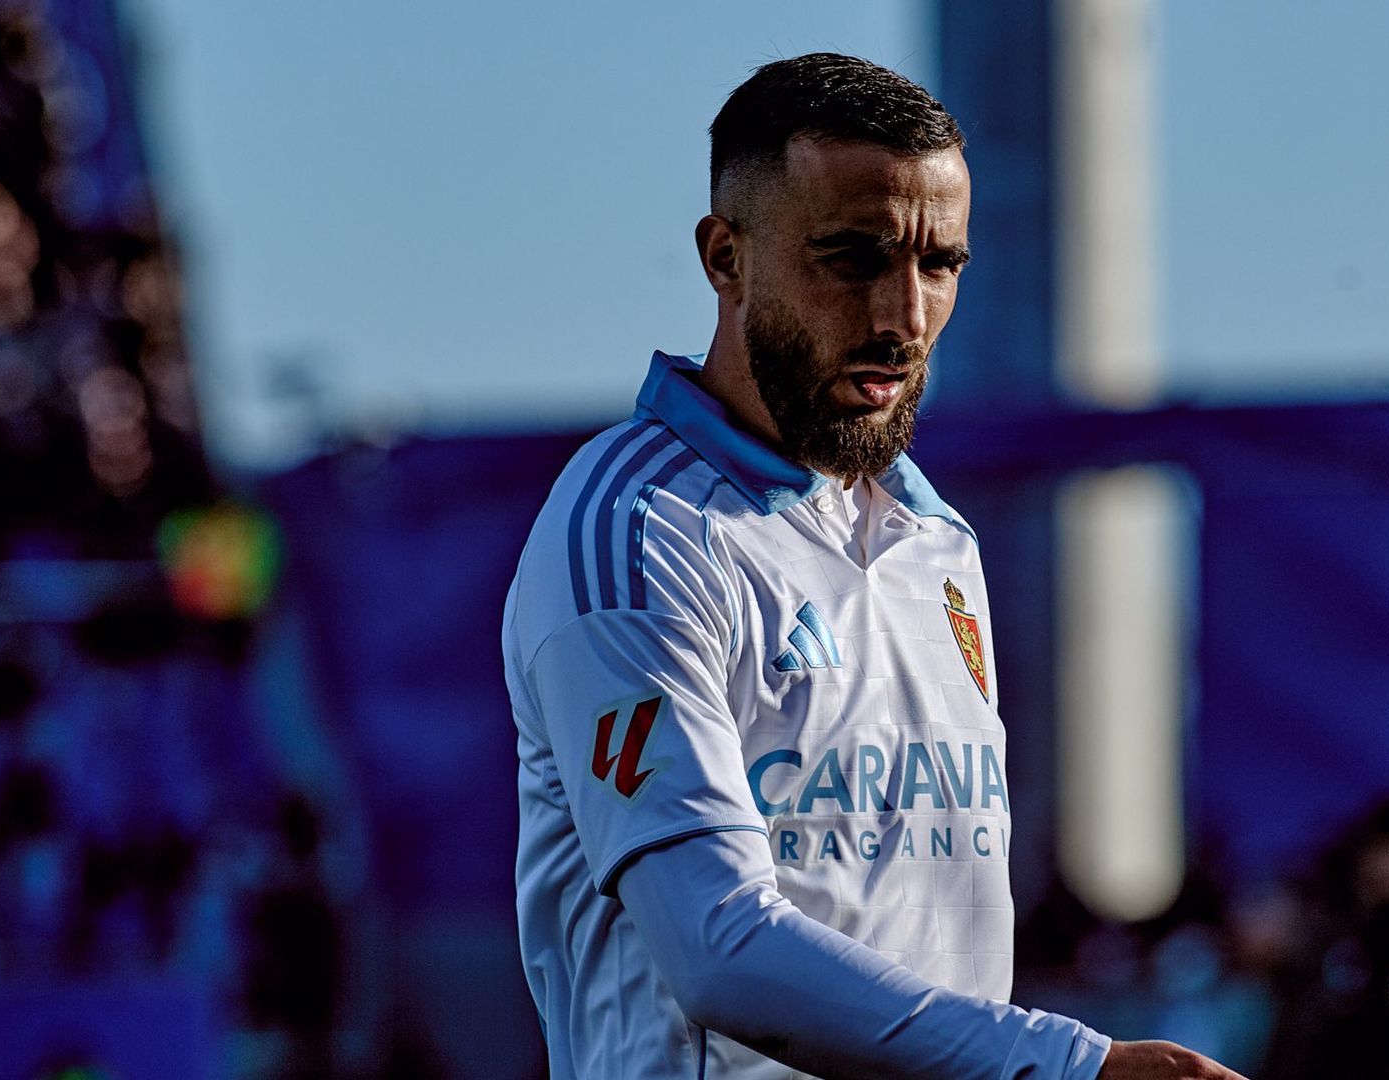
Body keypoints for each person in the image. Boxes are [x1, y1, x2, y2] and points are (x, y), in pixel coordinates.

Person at [503, 53, 1243, 1080]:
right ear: (727, 258)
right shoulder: (638, 530)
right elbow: (716, 948)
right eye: (852, 258)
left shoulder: (935, 543)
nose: (902, 317)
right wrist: (1071, 1070)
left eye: (941, 263)